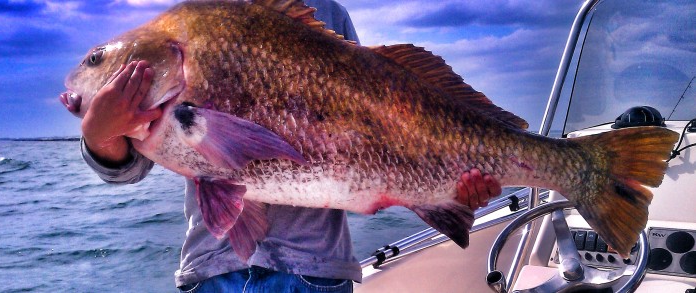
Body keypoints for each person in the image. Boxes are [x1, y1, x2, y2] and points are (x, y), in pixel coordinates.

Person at [79, 1, 502, 292]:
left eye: (97, 59)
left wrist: (451, 190)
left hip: (315, 269)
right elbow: (128, 170)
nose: (91, 70)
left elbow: (385, 121)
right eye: (99, 59)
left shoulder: (330, 12)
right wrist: (100, 135)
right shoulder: (193, 18)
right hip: (214, 267)